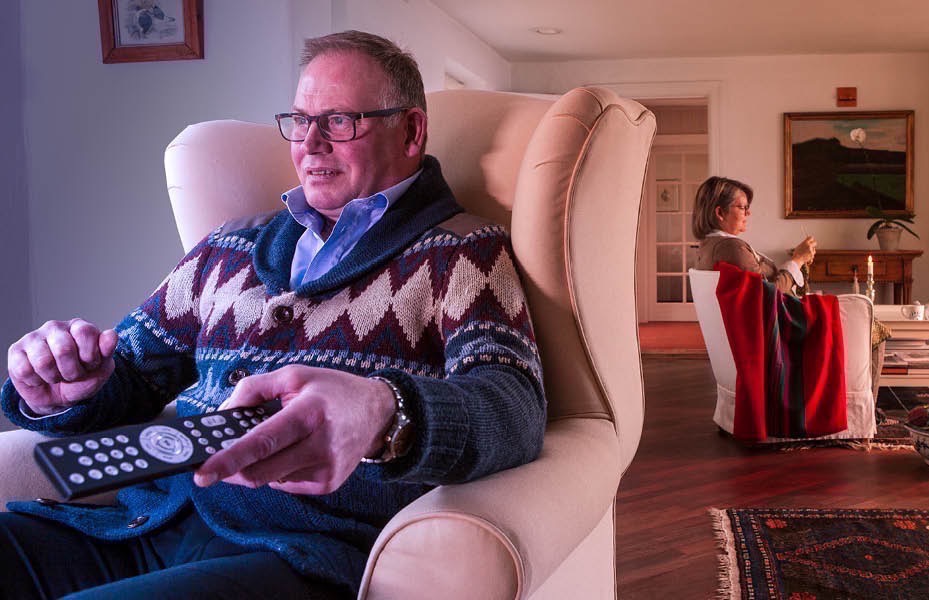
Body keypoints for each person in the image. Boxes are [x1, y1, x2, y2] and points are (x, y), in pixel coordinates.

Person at [0, 31, 545, 599]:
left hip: (299, 551)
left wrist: (388, 409)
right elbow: (133, 372)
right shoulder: (229, 245)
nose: (310, 144)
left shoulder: (462, 251)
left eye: (339, 121)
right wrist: (70, 385)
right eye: (300, 120)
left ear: (410, 131)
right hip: (147, 524)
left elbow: (514, 406)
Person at [692, 176, 817, 295]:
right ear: (720, 212)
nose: (748, 213)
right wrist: (798, 259)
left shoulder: (708, 245)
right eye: (743, 207)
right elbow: (768, 294)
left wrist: (795, 262)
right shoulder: (730, 247)